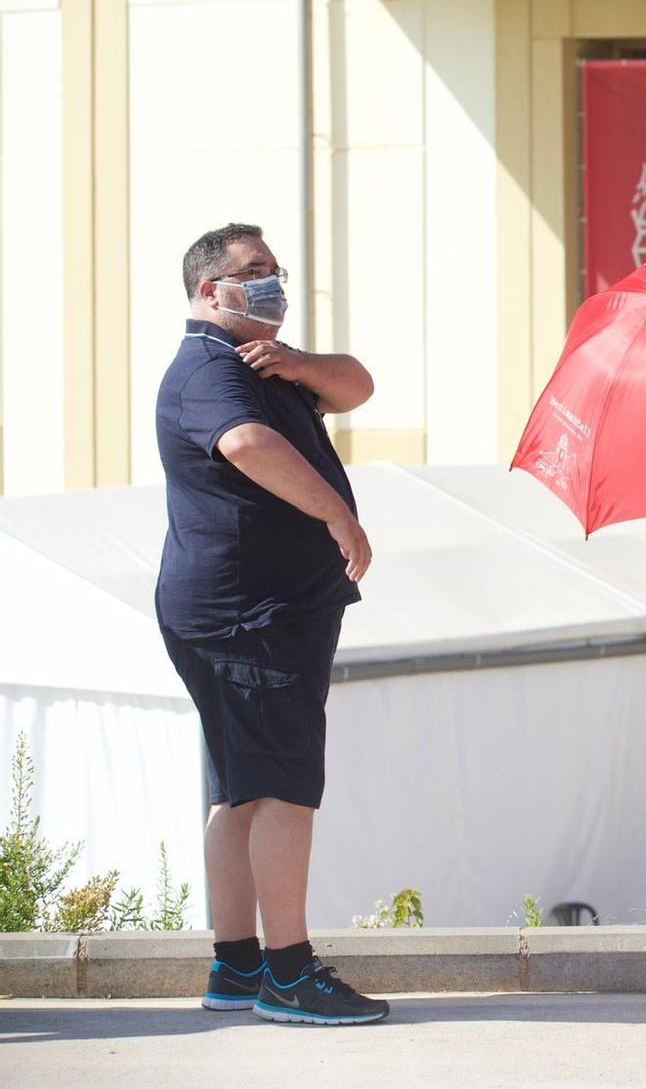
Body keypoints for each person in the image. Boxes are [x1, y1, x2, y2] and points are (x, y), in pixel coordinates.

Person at [154, 223, 387, 1025]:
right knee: (284, 787)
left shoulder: (264, 365)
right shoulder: (208, 370)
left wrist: (297, 363)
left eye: (276, 269)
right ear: (209, 291)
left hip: (253, 609)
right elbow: (247, 444)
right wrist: (338, 519)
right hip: (251, 614)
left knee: (242, 792)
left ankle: (236, 967)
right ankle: (289, 973)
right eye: (253, 272)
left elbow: (357, 384)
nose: (273, 281)